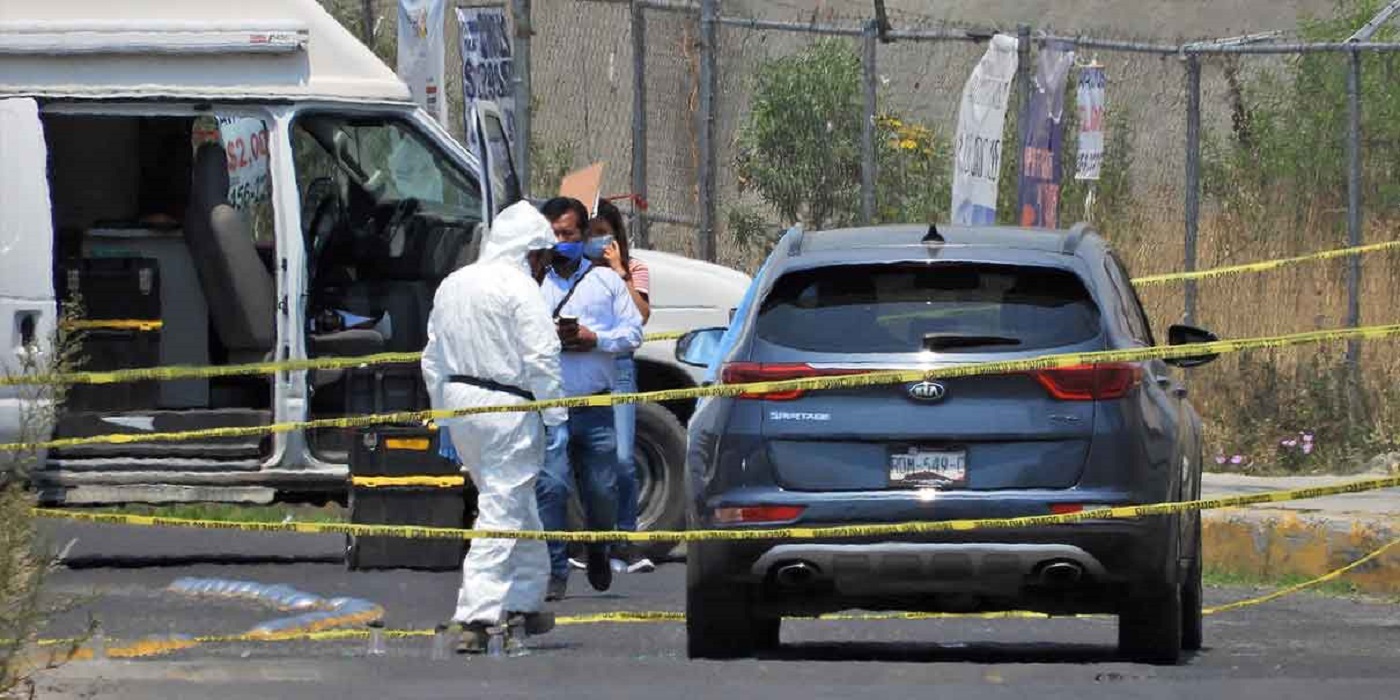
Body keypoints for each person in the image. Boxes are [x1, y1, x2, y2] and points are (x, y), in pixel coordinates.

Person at [420, 201, 567, 654]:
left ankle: (526, 599)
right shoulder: (521, 290)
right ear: (531, 252)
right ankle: (476, 615)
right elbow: (542, 358)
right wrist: (557, 414)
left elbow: (432, 356)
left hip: (461, 403)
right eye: (543, 256)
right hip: (509, 408)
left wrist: (443, 412)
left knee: (513, 502)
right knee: (502, 508)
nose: (545, 267)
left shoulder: (454, 284)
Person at [535, 197, 644, 601]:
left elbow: (633, 333)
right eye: (554, 234)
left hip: (596, 405)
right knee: (551, 486)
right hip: (551, 406)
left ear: (584, 236)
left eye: (568, 233)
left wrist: (594, 338)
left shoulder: (606, 282)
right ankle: (556, 568)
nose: (561, 241)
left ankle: (599, 546)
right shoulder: (533, 284)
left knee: (602, 491)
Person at [582, 200, 655, 574]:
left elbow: (640, 315)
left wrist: (619, 271)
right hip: (585, 369)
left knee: (624, 458)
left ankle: (625, 538)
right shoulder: (576, 273)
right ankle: (594, 539)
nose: (597, 241)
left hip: (619, 368)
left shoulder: (634, 268)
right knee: (589, 458)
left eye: (603, 233)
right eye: (590, 234)